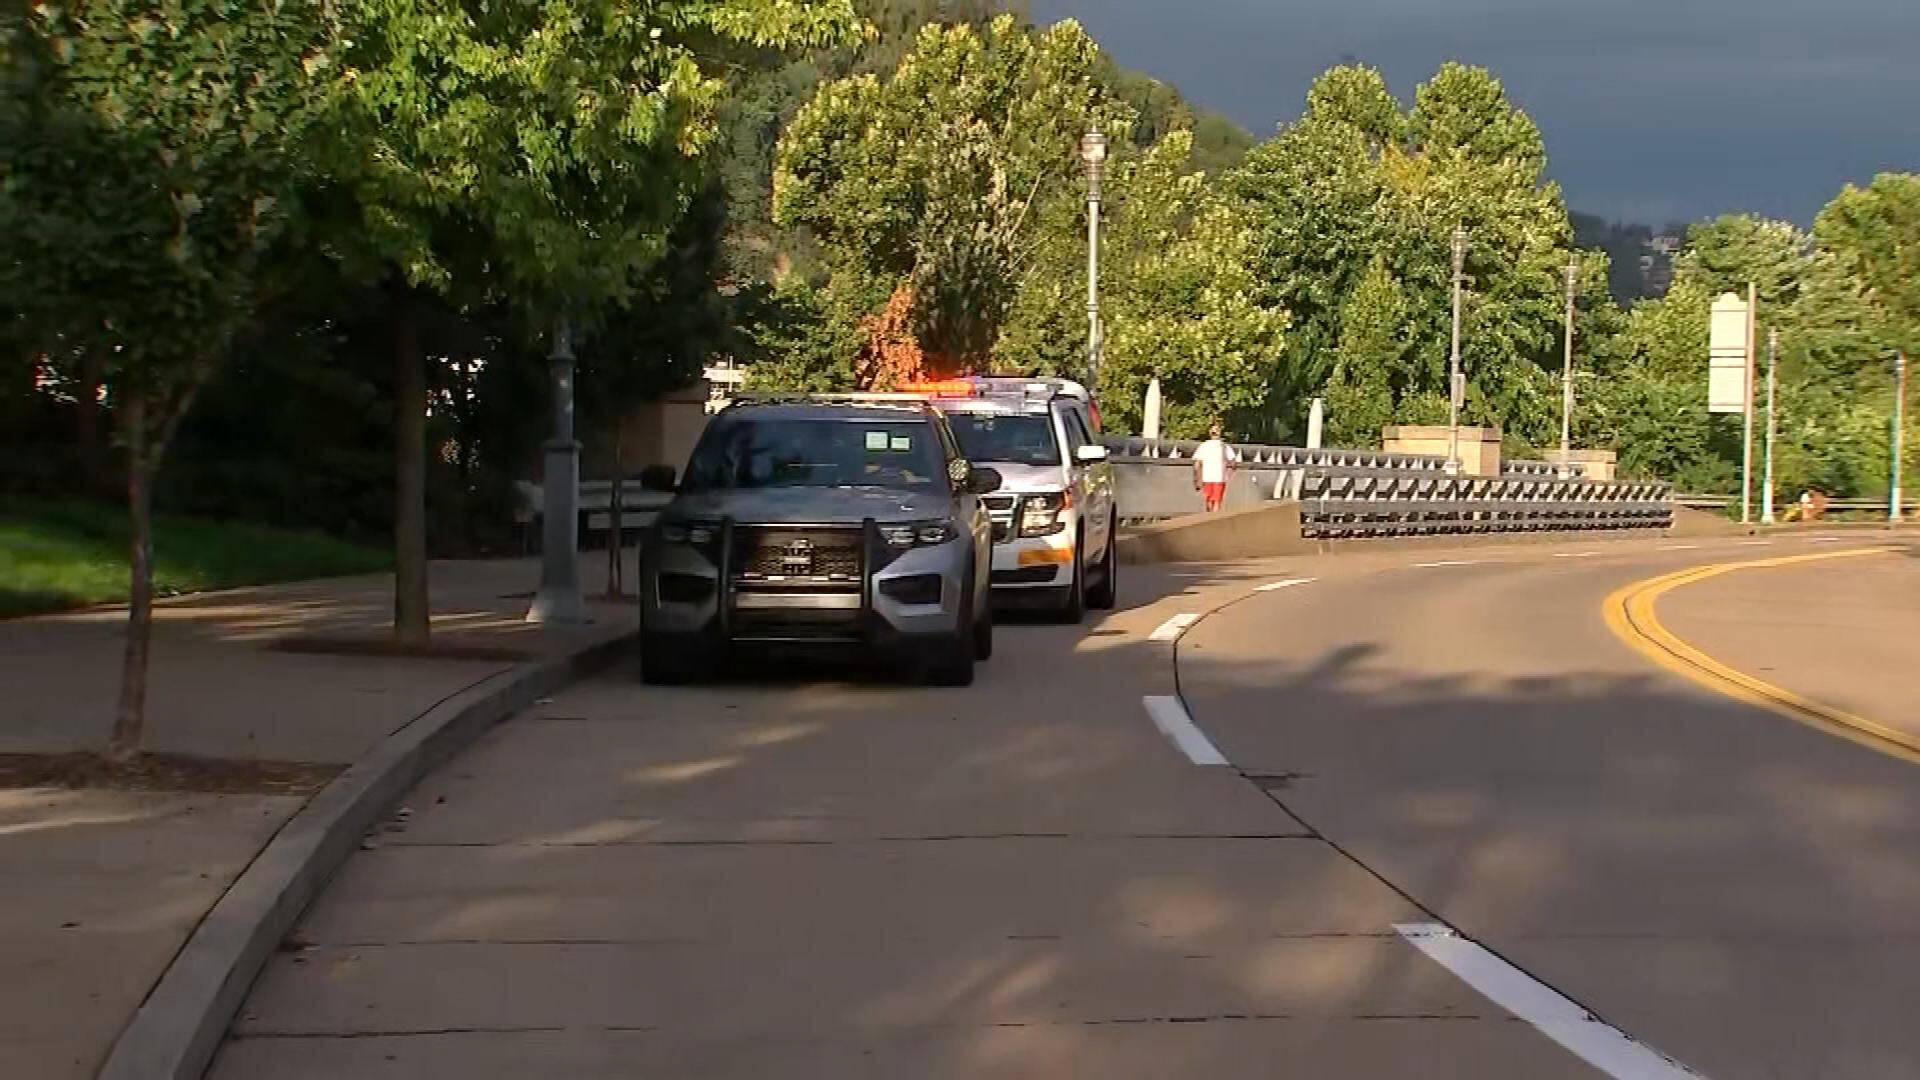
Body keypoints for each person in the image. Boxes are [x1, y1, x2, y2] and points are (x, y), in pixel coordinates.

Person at [1191, 422, 1238, 513]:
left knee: (1208, 500)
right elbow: (1233, 463)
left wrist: (1196, 479)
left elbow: (1197, 464)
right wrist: (1229, 470)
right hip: (1219, 478)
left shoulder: (1203, 446)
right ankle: (1214, 516)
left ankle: (1209, 516)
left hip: (1207, 478)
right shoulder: (1224, 446)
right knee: (1217, 501)